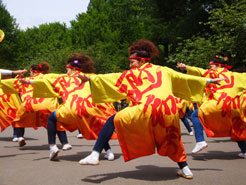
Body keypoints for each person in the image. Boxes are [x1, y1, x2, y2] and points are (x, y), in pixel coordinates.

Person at [76, 40, 223, 179]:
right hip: (168, 111)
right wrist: (209, 81)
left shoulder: (132, 74)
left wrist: (90, 79)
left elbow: (112, 78)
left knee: (113, 120)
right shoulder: (165, 70)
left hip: (146, 109)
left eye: (132, 62)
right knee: (174, 140)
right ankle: (186, 169)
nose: (130, 64)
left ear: (142, 61)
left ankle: (95, 154)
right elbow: (184, 78)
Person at [21, 53, 117, 160]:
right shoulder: (90, 76)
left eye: (67, 70)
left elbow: (47, 82)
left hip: (71, 109)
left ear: (71, 69)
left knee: (52, 118)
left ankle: (53, 147)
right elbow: (106, 80)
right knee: (96, 128)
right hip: (91, 108)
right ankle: (109, 152)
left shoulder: (64, 78)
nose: (66, 72)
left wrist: (29, 81)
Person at [177, 53, 246, 157]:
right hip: (235, 105)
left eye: (211, 64)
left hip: (220, 103)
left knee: (195, 115)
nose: (210, 66)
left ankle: (200, 141)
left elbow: (199, 71)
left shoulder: (213, 73)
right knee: (235, 126)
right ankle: (244, 151)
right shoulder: (236, 75)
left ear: (217, 65)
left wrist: (185, 67)